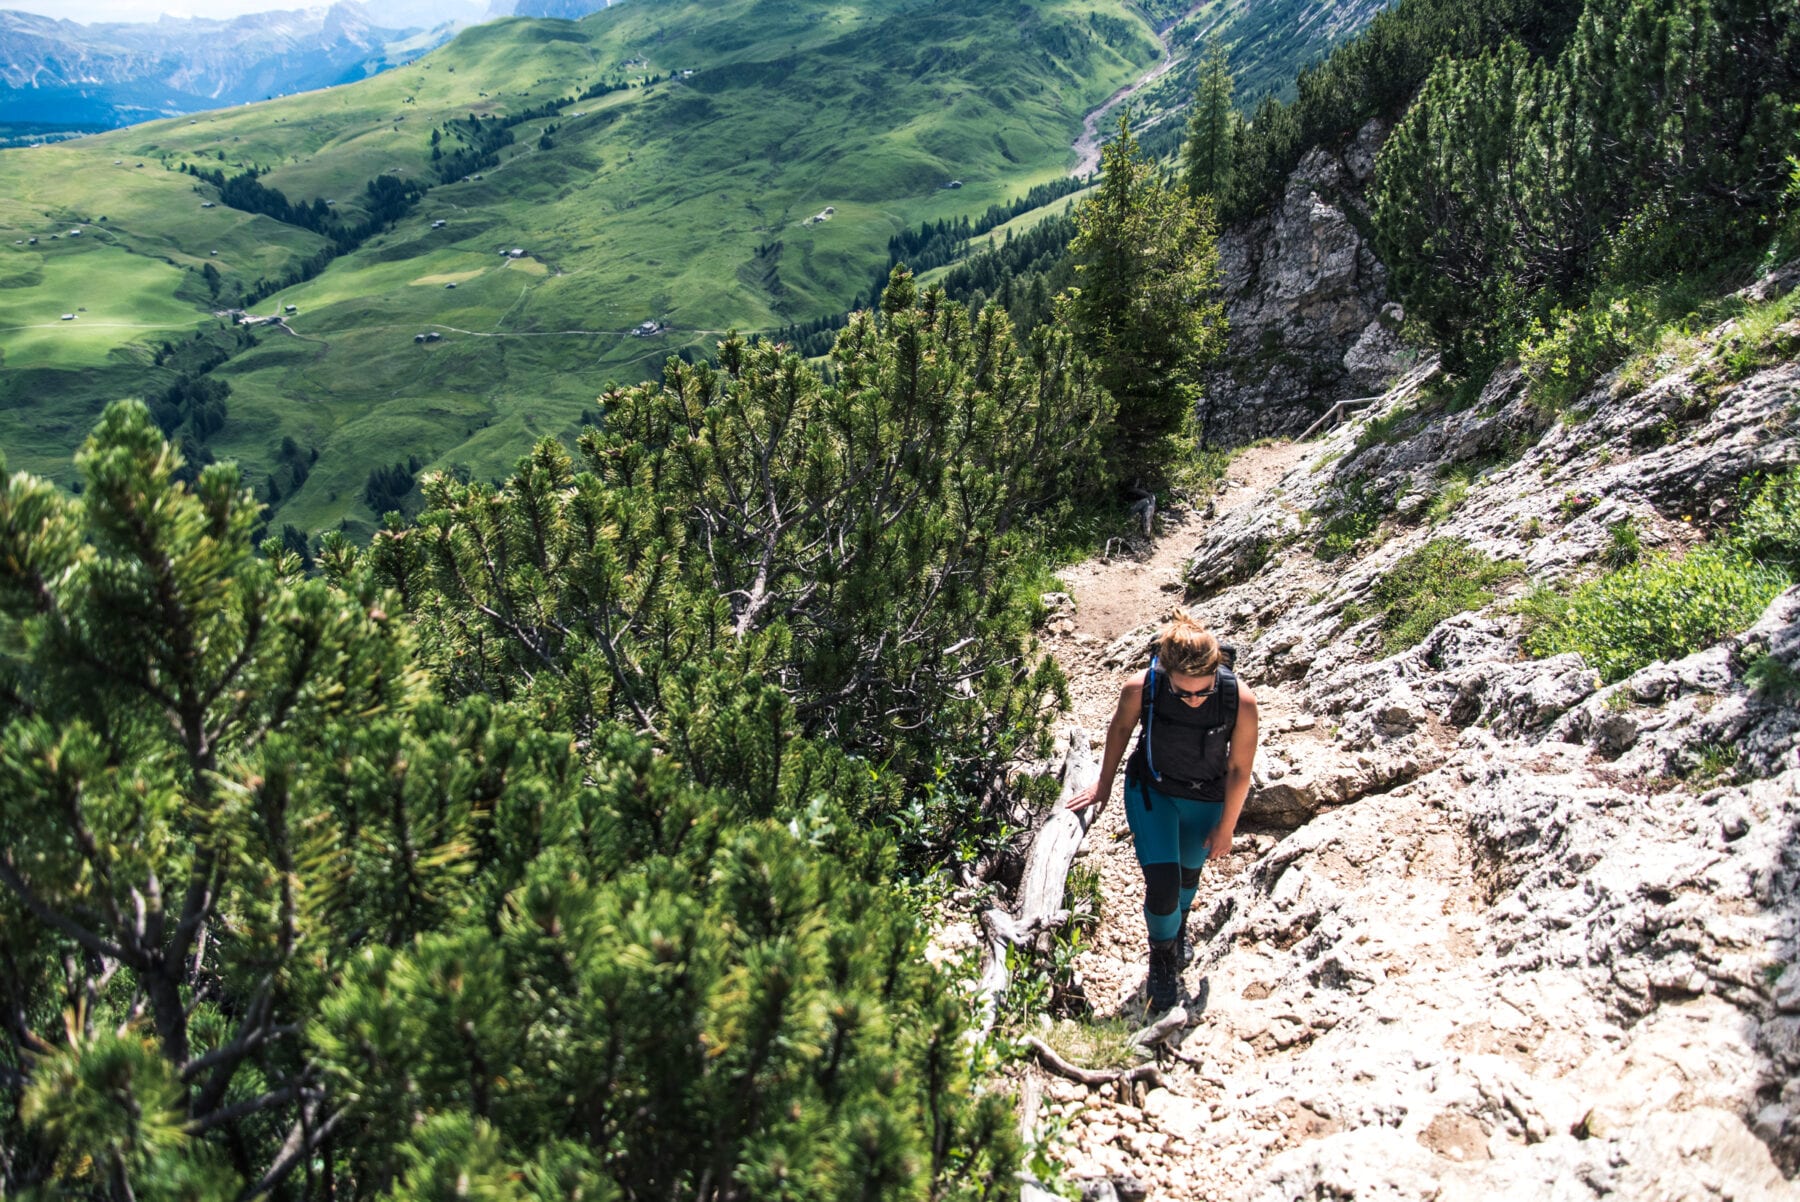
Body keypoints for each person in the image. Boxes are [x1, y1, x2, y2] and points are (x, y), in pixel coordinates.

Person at [1068, 609, 1259, 1014]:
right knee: (1163, 884)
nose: (1192, 700)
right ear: (1165, 672)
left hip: (1206, 799)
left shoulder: (1238, 700)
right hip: (1152, 792)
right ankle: (1162, 959)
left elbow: (1241, 768)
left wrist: (1228, 828)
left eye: (1201, 692)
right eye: (1182, 692)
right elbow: (1119, 730)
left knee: (1190, 875)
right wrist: (1102, 785)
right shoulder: (1142, 688)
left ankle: (1178, 928)